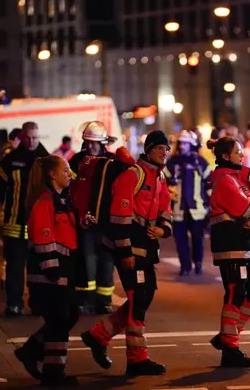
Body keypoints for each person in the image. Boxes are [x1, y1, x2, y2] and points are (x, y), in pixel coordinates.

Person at [80, 130, 173, 377]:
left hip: (146, 248)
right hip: (129, 248)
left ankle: (98, 336)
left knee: (144, 296)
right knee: (139, 297)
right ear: (149, 148)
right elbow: (119, 215)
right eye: (161, 148)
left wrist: (164, 229)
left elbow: (165, 207)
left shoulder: (160, 178)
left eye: (168, 149)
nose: (166, 152)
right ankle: (136, 359)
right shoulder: (133, 175)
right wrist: (125, 251)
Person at [13, 155, 82, 385]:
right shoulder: (44, 202)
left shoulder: (61, 200)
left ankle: (35, 353)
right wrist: (54, 274)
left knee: (67, 316)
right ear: (52, 174)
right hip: (48, 276)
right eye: (66, 169)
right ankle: (53, 373)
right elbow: (44, 242)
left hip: (61, 272)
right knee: (60, 319)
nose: (69, 174)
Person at [206, 136, 250, 368]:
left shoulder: (237, 179)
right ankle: (230, 347)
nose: (242, 155)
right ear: (225, 156)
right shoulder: (225, 181)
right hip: (231, 247)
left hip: (245, 245)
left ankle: (226, 337)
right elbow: (247, 208)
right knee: (235, 295)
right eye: (238, 152)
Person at [0, 122, 49, 316]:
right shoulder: (11, 160)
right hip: (15, 223)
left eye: (36, 137)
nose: (32, 141)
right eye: (28, 137)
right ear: (22, 137)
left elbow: (63, 184)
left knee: (39, 268)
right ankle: (14, 304)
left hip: (40, 225)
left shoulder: (47, 161)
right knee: (14, 267)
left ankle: (38, 303)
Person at [68, 121, 118, 314]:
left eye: (95, 143)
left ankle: (104, 300)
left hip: (106, 223)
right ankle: (85, 300)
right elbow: (70, 187)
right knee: (86, 260)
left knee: (106, 261)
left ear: (103, 143)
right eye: (88, 142)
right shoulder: (77, 161)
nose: (91, 146)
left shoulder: (112, 162)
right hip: (84, 223)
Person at [166, 130, 211, 275]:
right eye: (181, 143)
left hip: (197, 209)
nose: (183, 145)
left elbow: (209, 184)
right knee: (180, 240)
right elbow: (164, 182)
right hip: (178, 208)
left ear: (192, 145)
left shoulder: (201, 162)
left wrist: (211, 205)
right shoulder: (173, 162)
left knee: (198, 239)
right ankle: (185, 266)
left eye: (185, 143)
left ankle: (198, 262)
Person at [0, 127, 22, 290]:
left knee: (10, 244)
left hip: (1, 206)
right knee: (12, 245)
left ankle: (6, 276)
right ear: (14, 140)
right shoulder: (11, 158)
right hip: (8, 206)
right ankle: (7, 277)